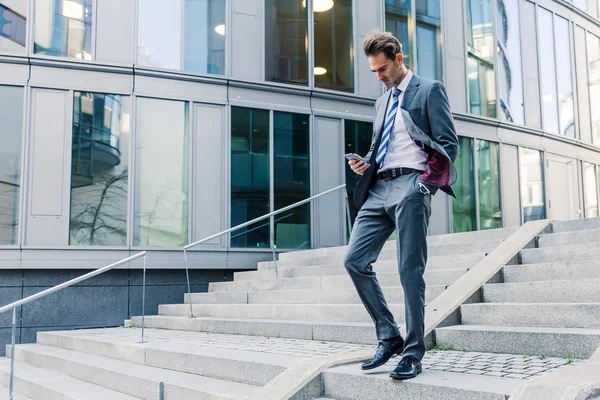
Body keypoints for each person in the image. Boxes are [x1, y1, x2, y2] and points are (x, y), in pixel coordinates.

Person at [344, 30, 459, 380]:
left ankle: (413, 352)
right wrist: (365, 162)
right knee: (354, 261)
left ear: (398, 58)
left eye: (382, 69)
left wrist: (424, 186)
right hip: (378, 188)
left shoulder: (429, 89)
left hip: (412, 184)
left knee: (410, 271)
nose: (378, 77)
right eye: (373, 71)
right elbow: (382, 146)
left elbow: (448, 144)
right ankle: (389, 336)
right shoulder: (381, 102)